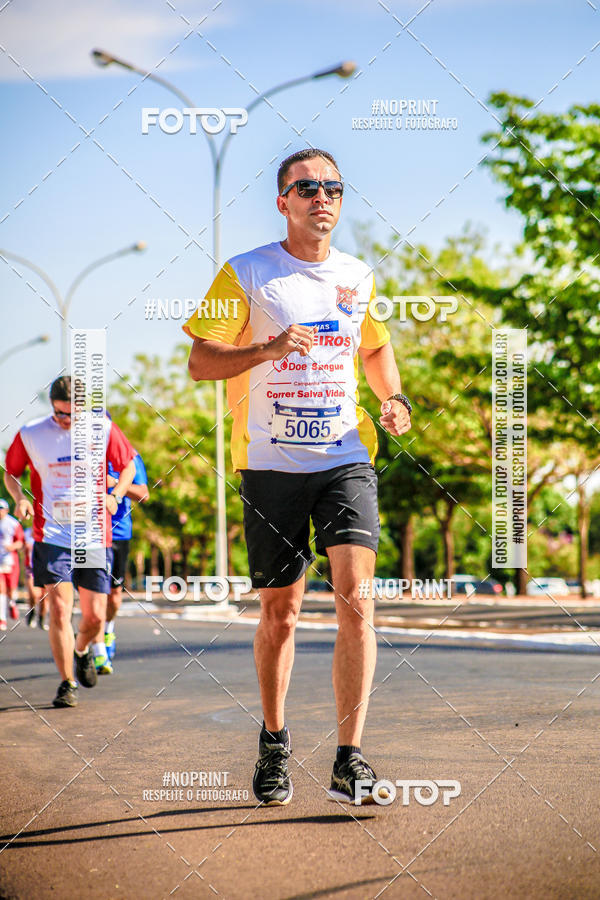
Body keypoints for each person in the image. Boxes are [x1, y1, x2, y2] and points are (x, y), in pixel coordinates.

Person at [184, 148, 411, 806]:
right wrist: (268, 349)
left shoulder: (357, 276)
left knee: (357, 599)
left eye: (333, 187)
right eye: (306, 187)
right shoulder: (249, 274)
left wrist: (393, 399)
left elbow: (374, 348)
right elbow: (201, 362)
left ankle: (350, 758)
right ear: (282, 201)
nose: (322, 197)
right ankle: (275, 743)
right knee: (280, 615)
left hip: (345, 456)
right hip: (270, 465)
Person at [4, 375, 136, 708]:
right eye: (60, 414)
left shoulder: (102, 429)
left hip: (94, 534)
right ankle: (67, 683)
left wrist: (116, 494)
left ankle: (81, 651)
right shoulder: (32, 433)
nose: (65, 421)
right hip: (50, 534)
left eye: (72, 415)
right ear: (52, 406)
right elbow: (11, 472)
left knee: (94, 616)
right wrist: (20, 498)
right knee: (61, 609)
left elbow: (129, 466)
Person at [92, 450, 148, 674]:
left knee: (114, 596)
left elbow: (144, 494)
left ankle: (107, 630)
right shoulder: (80, 453)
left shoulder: (130, 458)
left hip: (118, 534)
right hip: (89, 534)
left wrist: (116, 484)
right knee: (94, 594)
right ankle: (97, 651)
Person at [0, 499, 24, 630]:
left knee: (10, 589)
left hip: (10, 560)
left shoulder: (13, 523)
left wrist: (12, 546)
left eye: (1, 508)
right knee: (1, 588)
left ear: (6, 510)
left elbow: (20, 542)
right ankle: (2, 619)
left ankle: (11, 602)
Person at [24, 526, 48, 628]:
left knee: (44, 597)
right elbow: (21, 545)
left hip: (45, 568)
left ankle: (41, 618)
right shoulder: (28, 532)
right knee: (34, 594)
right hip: (31, 568)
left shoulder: (48, 531)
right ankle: (32, 611)